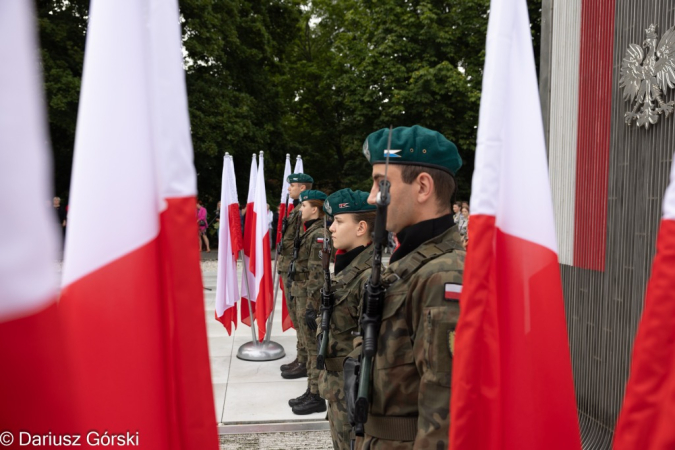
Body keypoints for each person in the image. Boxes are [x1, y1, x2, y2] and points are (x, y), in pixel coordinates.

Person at [345, 125, 465, 449]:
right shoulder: (411, 264)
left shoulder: (444, 275)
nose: (372, 197)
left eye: (381, 183)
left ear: (422, 187)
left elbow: (447, 413)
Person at [317, 189, 376, 449]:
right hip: (338, 389)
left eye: (339, 221)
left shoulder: (368, 279)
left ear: (361, 227)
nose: (331, 228)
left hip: (352, 393)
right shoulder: (347, 270)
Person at [288, 189, 329, 415]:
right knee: (307, 342)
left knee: (313, 349)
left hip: (308, 296)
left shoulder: (318, 234)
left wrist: (313, 306)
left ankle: (316, 395)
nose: (299, 210)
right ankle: (311, 389)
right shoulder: (310, 231)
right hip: (301, 292)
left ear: (315, 209)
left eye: (303, 206)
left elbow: (317, 272)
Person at [278, 173, 314, 380]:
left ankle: (304, 360)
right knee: (295, 316)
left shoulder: (304, 212)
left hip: (297, 271)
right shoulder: (297, 211)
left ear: (302, 188)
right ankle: (301, 357)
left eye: (292, 186)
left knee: (300, 317)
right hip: (290, 268)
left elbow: (301, 243)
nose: (289, 189)